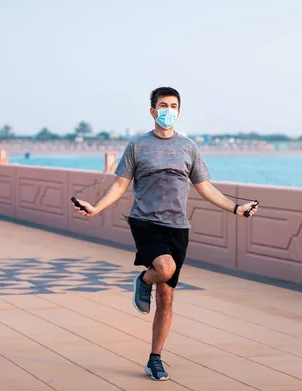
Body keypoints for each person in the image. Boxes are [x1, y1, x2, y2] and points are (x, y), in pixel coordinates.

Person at [73, 86, 258, 381]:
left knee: (167, 297)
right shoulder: (138, 146)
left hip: (177, 227)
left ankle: (155, 358)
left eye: (173, 105)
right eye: (163, 105)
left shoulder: (188, 148)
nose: (168, 110)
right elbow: (120, 185)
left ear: (179, 111)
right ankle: (143, 278)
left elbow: (206, 188)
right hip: (145, 222)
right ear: (152, 111)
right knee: (164, 268)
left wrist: (236, 208)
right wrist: (95, 208)